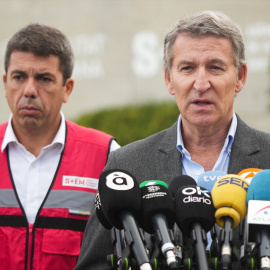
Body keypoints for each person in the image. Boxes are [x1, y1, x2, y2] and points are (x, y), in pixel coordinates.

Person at [75, 11, 270, 270]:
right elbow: (95, 264)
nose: (201, 83)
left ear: (240, 77)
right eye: (187, 68)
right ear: (169, 79)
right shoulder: (126, 164)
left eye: (215, 67)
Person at [0, 23, 119, 270]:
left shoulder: (108, 155)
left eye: (44, 79)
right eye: (19, 77)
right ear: (5, 83)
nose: (29, 90)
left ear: (67, 89)